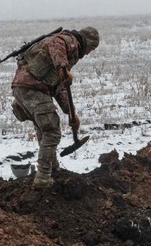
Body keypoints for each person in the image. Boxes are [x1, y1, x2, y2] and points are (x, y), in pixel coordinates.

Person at [11, 26, 100, 186]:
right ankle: (43, 177)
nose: (88, 53)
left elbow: (59, 87)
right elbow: (55, 42)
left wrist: (70, 112)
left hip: (25, 88)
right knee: (52, 131)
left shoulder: (70, 53)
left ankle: (53, 168)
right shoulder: (69, 41)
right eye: (91, 49)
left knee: (44, 129)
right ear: (87, 42)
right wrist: (62, 67)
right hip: (32, 88)